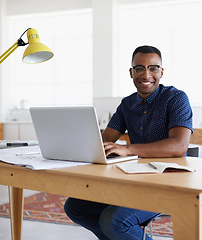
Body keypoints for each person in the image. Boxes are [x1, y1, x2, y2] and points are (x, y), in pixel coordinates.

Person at [64, 45, 193, 240]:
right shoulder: (127, 104)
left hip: (168, 184)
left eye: (153, 68)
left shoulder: (176, 99)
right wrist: (75, 141)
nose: (146, 74)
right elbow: (106, 140)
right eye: (139, 68)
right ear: (131, 72)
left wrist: (128, 149)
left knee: (114, 221)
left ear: (162, 72)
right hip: (134, 179)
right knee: (75, 207)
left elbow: (179, 146)